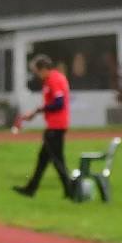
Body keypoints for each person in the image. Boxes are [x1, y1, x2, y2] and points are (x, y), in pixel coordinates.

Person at [13, 55, 72, 199]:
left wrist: (39, 110)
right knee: (43, 159)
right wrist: (36, 112)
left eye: (37, 71)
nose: (37, 75)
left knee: (58, 161)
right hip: (55, 126)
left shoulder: (54, 79)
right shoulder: (52, 79)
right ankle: (30, 189)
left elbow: (59, 103)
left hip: (56, 127)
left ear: (44, 69)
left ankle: (71, 192)